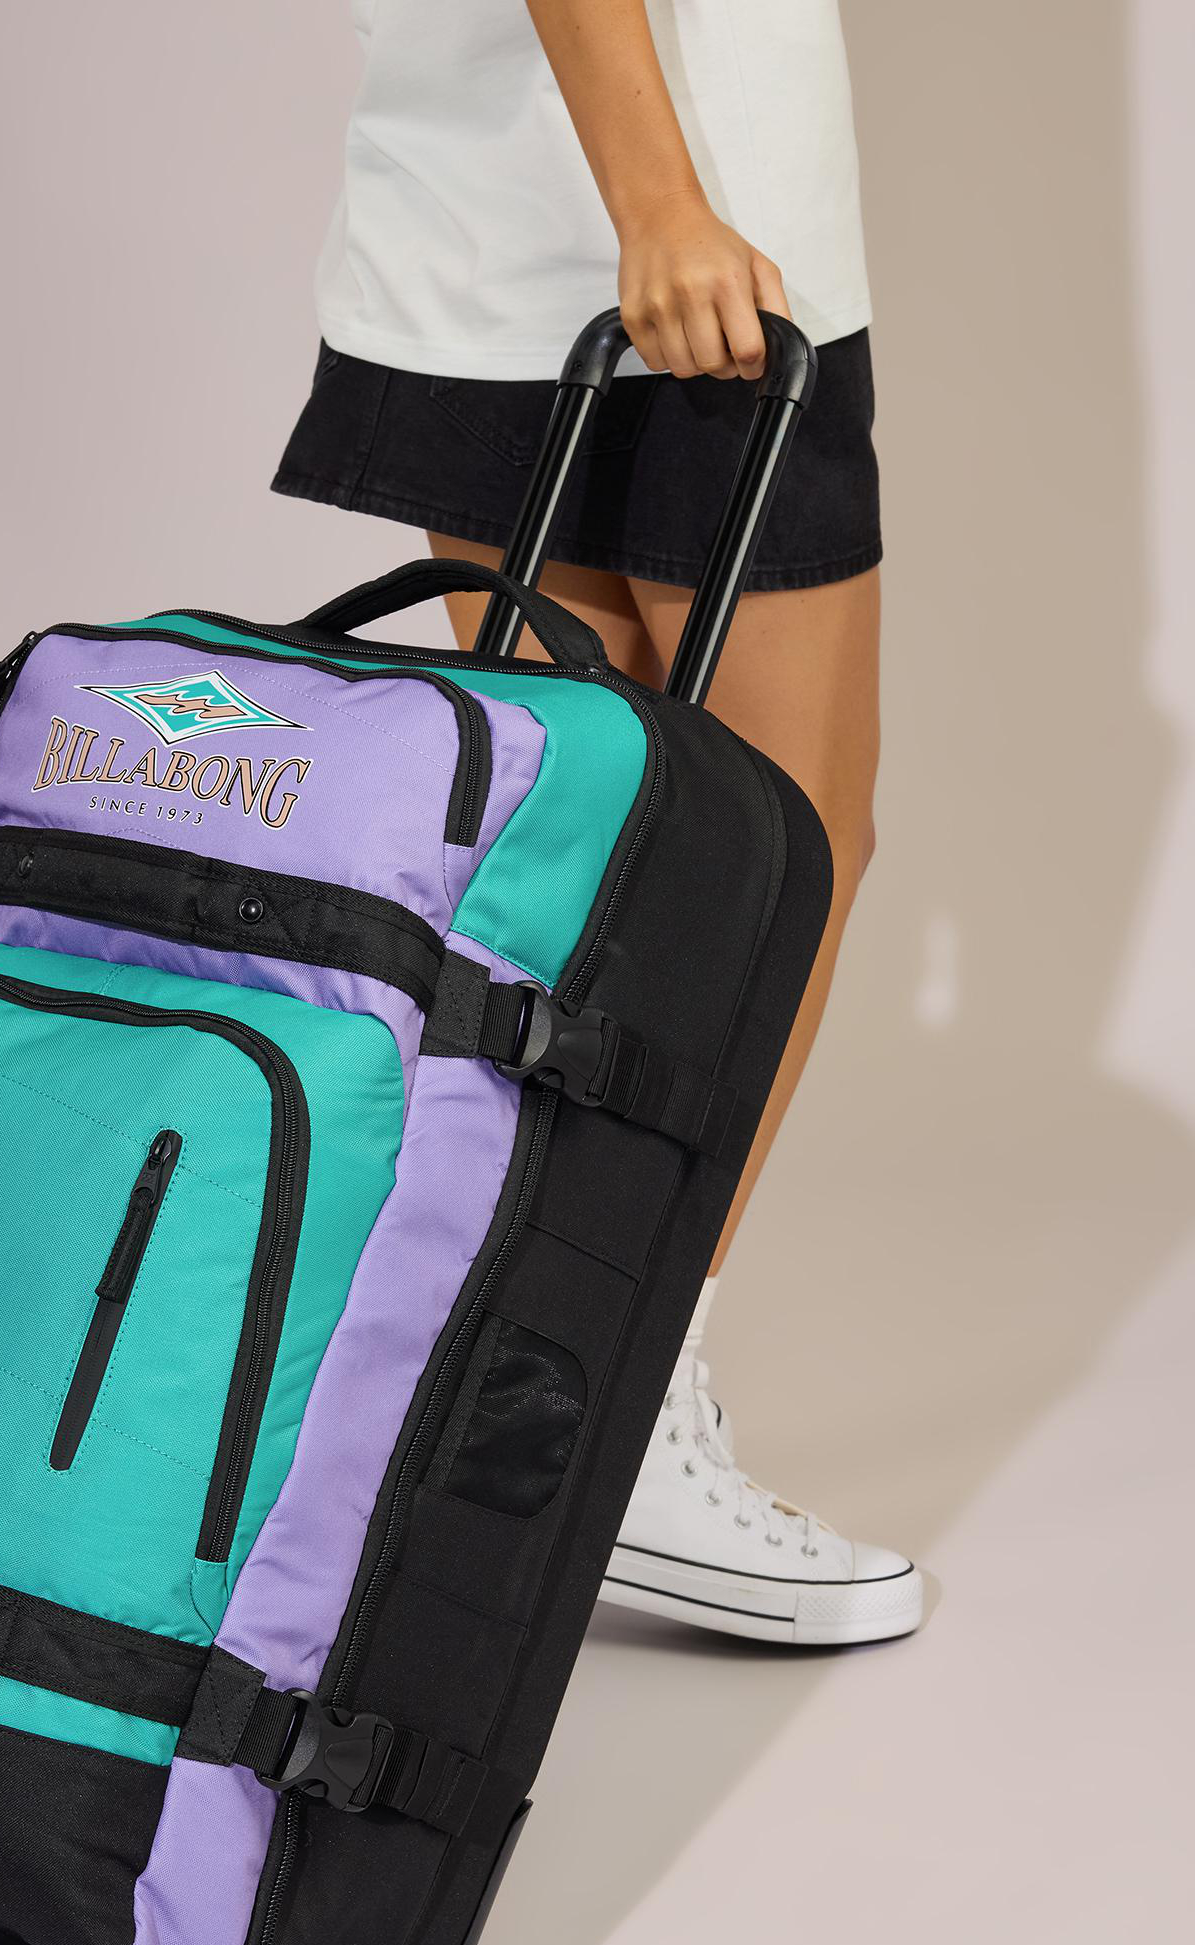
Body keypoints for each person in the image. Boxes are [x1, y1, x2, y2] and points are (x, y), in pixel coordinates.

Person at [275, 0, 921, 1645]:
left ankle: (521, 1406)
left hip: (484, 227)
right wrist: (660, 201)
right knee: (778, 854)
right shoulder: (683, 217)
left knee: (589, 884)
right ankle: (618, 1407)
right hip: (694, 244)